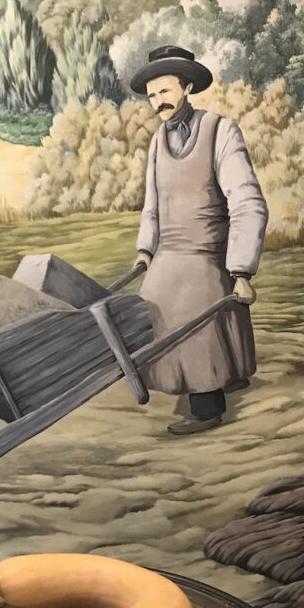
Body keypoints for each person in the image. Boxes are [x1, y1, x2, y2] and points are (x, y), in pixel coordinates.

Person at [130, 45, 268, 435]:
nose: (158, 101)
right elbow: (152, 204)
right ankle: (223, 374)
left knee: (195, 301)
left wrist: (241, 270)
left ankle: (208, 406)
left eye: (165, 91)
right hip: (168, 252)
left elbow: (247, 201)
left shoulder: (221, 131)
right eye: (152, 95)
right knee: (149, 302)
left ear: (187, 86)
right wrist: (145, 250)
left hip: (208, 252)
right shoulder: (158, 140)